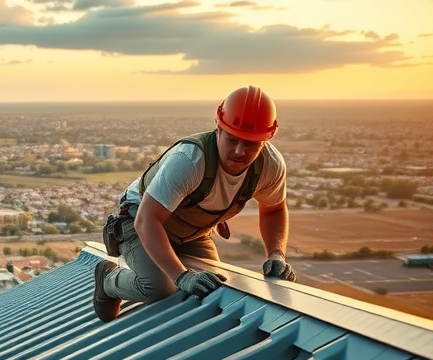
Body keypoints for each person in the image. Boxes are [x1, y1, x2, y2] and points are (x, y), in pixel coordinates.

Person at [93, 86, 296, 322]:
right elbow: (147, 219)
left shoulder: (270, 165)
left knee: (215, 288)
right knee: (160, 287)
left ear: (265, 140)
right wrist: (181, 276)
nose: (239, 151)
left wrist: (276, 254)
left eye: (251, 144)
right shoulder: (190, 160)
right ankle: (108, 280)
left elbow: (273, 209)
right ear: (219, 129)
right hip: (139, 219)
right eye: (232, 140)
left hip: (193, 233)